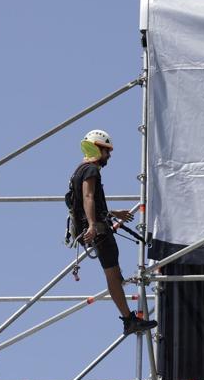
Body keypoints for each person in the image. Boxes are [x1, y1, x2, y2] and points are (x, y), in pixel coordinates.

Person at [68, 129, 158, 336]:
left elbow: (85, 202)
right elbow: (88, 197)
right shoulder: (91, 170)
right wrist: (93, 224)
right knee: (112, 275)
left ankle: (129, 316)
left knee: (115, 273)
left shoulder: (79, 170)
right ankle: (129, 320)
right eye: (106, 151)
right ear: (97, 148)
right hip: (97, 230)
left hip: (92, 227)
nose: (109, 156)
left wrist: (111, 213)